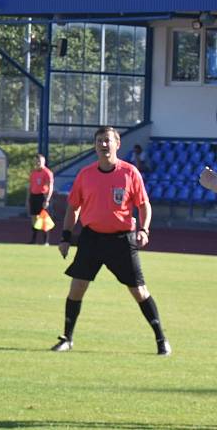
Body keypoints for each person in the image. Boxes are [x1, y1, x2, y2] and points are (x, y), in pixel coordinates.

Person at [52, 126, 170, 356]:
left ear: (117, 144)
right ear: (95, 145)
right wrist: (66, 237)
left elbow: (144, 205)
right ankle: (67, 338)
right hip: (91, 239)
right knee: (76, 289)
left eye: (107, 140)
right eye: (99, 141)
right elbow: (73, 207)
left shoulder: (130, 173)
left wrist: (144, 230)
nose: (103, 145)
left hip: (121, 241)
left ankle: (161, 339)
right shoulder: (85, 174)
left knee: (139, 291)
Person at [26, 153, 53, 245]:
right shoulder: (33, 173)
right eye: (36, 161)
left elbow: (50, 187)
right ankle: (33, 240)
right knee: (34, 218)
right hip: (34, 196)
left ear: (43, 162)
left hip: (42, 196)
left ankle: (46, 241)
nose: (38, 163)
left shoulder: (47, 173)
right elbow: (30, 186)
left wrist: (47, 200)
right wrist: (28, 198)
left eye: (39, 161)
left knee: (44, 218)